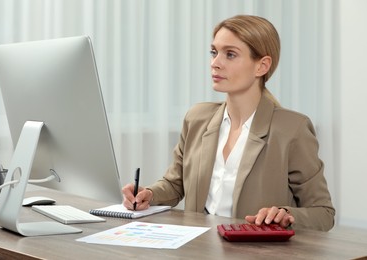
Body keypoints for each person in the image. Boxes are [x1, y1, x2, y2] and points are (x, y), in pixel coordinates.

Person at [122, 14, 335, 231]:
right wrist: (149, 194)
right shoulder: (196, 118)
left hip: (255, 253)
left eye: (230, 54)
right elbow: (175, 183)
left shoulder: (292, 129)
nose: (215, 63)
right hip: (198, 249)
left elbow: (323, 213)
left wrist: (287, 214)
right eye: (213, 52)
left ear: (262, 66)